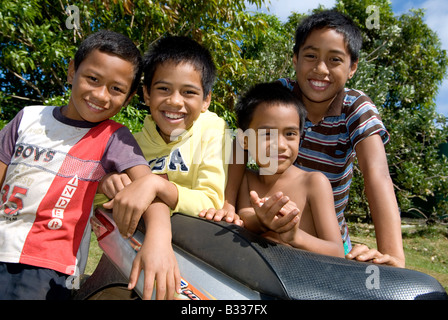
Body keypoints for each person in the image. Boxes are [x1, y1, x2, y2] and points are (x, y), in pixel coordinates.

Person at [0, 30, 179, 300]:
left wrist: (159, 241)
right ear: (72, 72)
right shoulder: (27, 118)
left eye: (116, 89)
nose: (101, 95)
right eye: (92, 79)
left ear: (128, 98)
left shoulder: (114, 137)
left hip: (49, 268)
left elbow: (149, 188)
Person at [277, 10, 405, 267]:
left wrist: (392, 254)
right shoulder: (279, 96)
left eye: (334, 59)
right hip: (274, 230)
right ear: (295, 59)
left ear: (352, 68)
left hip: (329, 244)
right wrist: (226, 204)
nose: (320, 69)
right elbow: (241, 148)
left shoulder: (355, 107)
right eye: (311, 56)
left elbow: (377, 174)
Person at [100, 35, 230, 219]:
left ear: (206, 100)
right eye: (163, 89)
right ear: (147, 94)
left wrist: (156, 185)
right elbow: (99, 205)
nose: (175, 101)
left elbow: (210, 202)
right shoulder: (130, 144)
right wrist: (106, 183)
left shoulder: (213, 130)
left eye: (189, 92)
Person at [233, 82, 344, 257]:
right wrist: (262, 220)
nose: (281, 145)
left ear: (300, 137)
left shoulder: (313, 183)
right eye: (267, 134)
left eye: (290, 134)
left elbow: (337, 251)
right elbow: (244, 215)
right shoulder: (246, 178)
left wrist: (295, 236)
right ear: (244, 140)